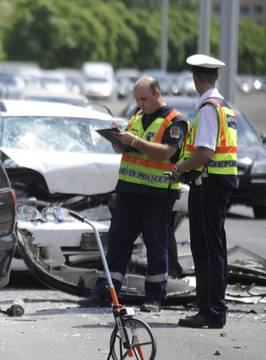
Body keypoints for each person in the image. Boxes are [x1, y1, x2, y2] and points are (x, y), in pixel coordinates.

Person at [79, 76, 188, 313]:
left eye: (144, 99)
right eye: (137, 99)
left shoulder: (175, 121)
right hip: (129, 192)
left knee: (156, 246)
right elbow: (123, 150)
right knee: (118, 244)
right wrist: (117, 138)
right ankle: (106, 292)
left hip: (157, 194)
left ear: (157, 93)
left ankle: (155, 298)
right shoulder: (138, 116)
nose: (140, 104)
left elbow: (168, 153)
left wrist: (135, 141)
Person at [172, 55, 238, 329]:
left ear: (195, 78)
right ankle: (214, 308)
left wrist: (179, 169)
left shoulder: (208, 108)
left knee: (207, 250)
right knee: (215, 248)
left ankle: (210, 311)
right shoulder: (226, 108)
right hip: (218, 185)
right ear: (217, 77)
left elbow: (206, 151)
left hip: (208, 186)